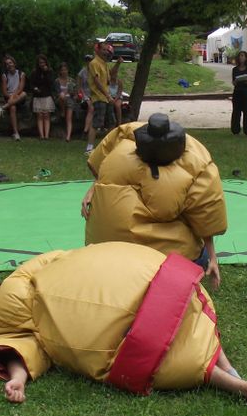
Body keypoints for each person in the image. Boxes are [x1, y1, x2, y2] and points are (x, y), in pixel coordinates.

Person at [0, 242, 247, 408]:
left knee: (189, 308)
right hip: (112, 326)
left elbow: (77, 259)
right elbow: (24, 348)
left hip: (122, 284)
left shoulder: (29, 273)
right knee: (173, 342)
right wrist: (18, 379)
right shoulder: (7, 318)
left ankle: (233, 372)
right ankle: (246, 389)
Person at [81, 113, 227, 290]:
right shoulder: (198, 165)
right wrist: (212, 258)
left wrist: (95, 186)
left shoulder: (122, 143)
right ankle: (164, 282)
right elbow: (206, 216)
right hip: (159, 259)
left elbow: (102, 165)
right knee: (199, 254)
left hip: (105, 248)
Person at [85, 43, 112, 154]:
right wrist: (107, 95)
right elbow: (97, 82)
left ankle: (109, 146)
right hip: (99, 97)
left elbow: (108, 80)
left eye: (107, 50)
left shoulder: (104, 63)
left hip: (106, 97)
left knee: (111, 121)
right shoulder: (94, 63)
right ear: (98, 50)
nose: (106, 52)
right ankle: (89, 148)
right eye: (104, 50)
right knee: (97, 122)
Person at [0, 55, 25, 141]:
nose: (9, 65)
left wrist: (13, 96)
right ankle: (16, 133)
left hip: (18, 96)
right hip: (8, 97)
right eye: (7, 64)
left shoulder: (21, 74)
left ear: (14, 63)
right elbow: (4, 92)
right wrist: (11, 97)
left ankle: (3, 107)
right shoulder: (4, 75)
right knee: (13, 107)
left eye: (10, 63)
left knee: (24, 94)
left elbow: (21, 88)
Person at [29, 54, 55, 140]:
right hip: (38, 96)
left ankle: (46, 135)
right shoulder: (34, 72)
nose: (42, 64)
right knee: (39, 115)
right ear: (38, 63)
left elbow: (51, 83)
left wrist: (46, 72)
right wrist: (35, 89)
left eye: (43, 62)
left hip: (47, 95)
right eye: (40, 63)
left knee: (46, 115)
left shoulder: (50, 71)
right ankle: (41, 135)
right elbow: (31, 84)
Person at [231, 50, 247, 136]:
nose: (241, 57)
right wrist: (236, 81)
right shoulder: (235, 69)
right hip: (237, 91)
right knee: (236, 112)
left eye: (243, 56)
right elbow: (233, 82)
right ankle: (235, 130)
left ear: (246, 58)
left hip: (246, 91)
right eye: (240, 56)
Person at [55, 62, 77, 142]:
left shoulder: (71, 80)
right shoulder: (57, 81)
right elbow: (57, 92)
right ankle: (62, 111)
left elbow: (74, 93)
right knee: (62, 96)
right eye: (62, 70)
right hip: (60, 100)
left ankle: (68, 136)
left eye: (65, 70)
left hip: (69, 100)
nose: (64, 71)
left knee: (69, 118)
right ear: (60, 71)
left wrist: (72, 94)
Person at [108, 60, 124, 128]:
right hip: (110, 97)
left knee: (117, 106)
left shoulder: (119, 82)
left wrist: (116, 99)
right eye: (113, 74)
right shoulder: (107, 82)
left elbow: (119, 92)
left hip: (118, 97)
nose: (114, 76)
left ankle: (119, 123)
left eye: (116, 74)